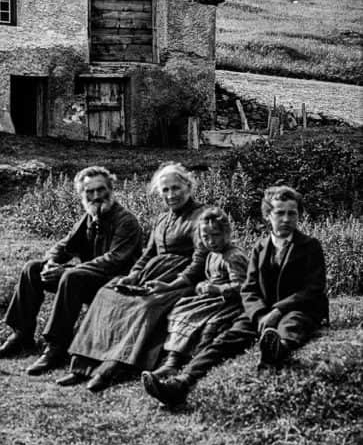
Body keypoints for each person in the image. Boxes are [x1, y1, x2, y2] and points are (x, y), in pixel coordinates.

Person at [143, 184, 329, 409]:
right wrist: (260, 314)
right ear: (268, 216)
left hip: (299, 308)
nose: (287, 219)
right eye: (280, 213)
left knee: (292, 324)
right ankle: (180, 384)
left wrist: (277, 311)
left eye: (292, 213)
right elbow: (249, 288)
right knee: (225, 341)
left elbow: (313, 289)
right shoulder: (261, 248)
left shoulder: (310, 246)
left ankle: (276, 349)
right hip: (263, 310)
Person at [59, 162, 207, 392]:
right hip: (151, 273)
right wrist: (133, 275)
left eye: (176, 188)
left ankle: (111, 368)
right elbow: (148, 253)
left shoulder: (201, 217)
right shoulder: (162, 219)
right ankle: (81, 365)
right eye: (165, 190)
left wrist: (172, 284)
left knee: (144, 307)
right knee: (108, 293)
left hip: (180, 279)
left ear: (188, 186)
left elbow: (200, 260)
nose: (171, 195)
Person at [0, 166, 142, 374]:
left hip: (115, 285)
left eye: (101, 190)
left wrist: (67, 271)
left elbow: (114, 260)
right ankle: (21, 335)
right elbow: (64, 245)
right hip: (86, 278)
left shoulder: (126, 221)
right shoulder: (89, 218)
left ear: (111, 189)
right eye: (90, 192)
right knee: (33, 268)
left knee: (71, 276)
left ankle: (56, 347)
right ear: (82, 194)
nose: (96, 196)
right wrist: (51, 261)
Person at [141, 206, 247, 390]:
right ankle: (172, 360)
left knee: (207, 324)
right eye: (206, 237)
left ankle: (190, 361)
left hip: (228, 302)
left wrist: (217, 289)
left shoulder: (233, 256)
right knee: (181, 310)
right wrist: (202, 285)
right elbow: (208, 276)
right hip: (210, 299)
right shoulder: (212, 255)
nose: (211, 241)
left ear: (227, 233)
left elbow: (242, 286)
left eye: (216, 235)